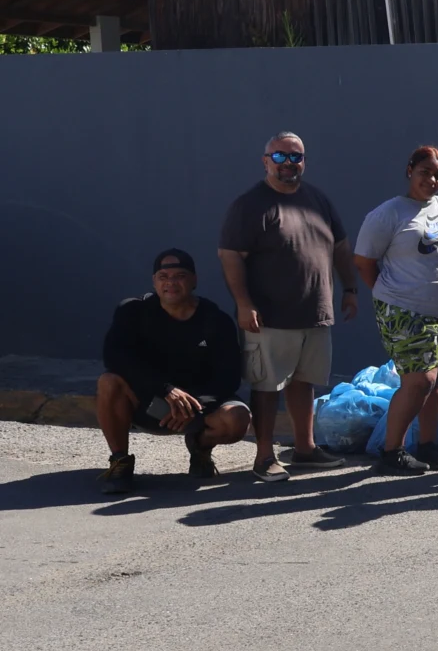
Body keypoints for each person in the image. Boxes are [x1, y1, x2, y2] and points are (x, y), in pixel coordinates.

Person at [218, 131, 356, 482]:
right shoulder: (250, 205)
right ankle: (264, 456)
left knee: (304, 382)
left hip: (315, 311)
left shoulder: (317, 200)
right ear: (266, 161)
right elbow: (231, 256)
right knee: (267, 386)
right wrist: (243, 303)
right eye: (279, 157)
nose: (288, 164)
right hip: (269, 316)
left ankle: (305, 449)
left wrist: (349, 288)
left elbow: (340, 246)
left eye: (295, 157)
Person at [354, 146, 438, 475]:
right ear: (410, 170)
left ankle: (428, 445)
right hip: (405, 311)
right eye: (424, 172)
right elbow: (364, 262)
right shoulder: (387, 214)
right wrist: (387, 291)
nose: (431, 180)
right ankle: (393, 450)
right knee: (420, 381)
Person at [95, 250, 252, 494]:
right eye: (163, 276)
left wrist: (194, 404)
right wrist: (165, 390)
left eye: (180, 275)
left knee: (237, 418)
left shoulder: (215, 320)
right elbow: (115, 358)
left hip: (198, 407)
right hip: (149, 400)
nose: (170, 282)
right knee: (108, 382)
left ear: (194, 280)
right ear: (154, 281)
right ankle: (120, 461)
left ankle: (200, 449)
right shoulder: (133, 311)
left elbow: (229, 376)